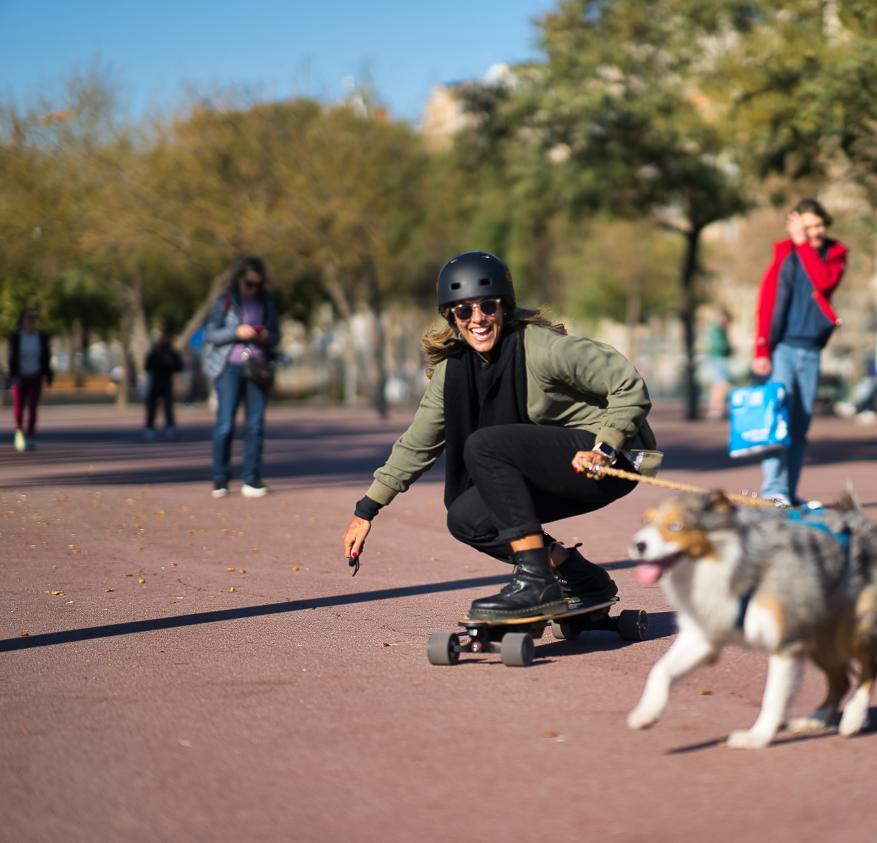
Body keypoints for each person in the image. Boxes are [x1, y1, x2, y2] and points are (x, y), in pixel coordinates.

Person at [341, 251, 657, 621]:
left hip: (609, 459)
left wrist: (604, 447)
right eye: (464, 311)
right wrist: (367, 510)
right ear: (451, 317)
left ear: (504, 307)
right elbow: (418, 443)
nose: (477, 320)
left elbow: (627, 383)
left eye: (487, 307)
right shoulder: (453, 373)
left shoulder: (542, 349)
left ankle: (535, 583)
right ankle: (578, 576)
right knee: (466, 517)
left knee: (485, 445)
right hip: (550, 466)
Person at [751, 197, 847, 505]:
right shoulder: (784, 253)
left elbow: (824, 281)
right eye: (808, 227)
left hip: (812, 350)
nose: (815, 232)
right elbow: (767, 301)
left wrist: (802, 243)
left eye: (819, 225)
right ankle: (772, 491)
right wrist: (761, 348)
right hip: (783, 349)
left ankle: (789, 491)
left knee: (801, 424)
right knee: (778, 421)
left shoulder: (835, 253)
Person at [203, 256, 280, 498]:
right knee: (225, 424)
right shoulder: (225, 301)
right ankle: (220, 478)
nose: (253, 289)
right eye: (249, 283)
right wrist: (236, 331)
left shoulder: (266, 302)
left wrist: (266, 336)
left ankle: (251, 479)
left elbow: (277, 335)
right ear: (239, 279)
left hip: (257, 367)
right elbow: (211, 334)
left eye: (257, 284)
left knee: (255, 426)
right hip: (229, 368)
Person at [7, 309, 54, 452]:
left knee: (33, 406)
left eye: (33, 318)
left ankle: (30, 435)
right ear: (22, 320)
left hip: (35, 375)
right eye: (28, 318)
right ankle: (19, 432)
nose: (30, 321)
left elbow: (46, 357)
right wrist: (13, 375)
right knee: (19, 406)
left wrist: (48, 374)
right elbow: (12, 357)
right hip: (20, 376)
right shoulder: (16, 336)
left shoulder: (40, 337)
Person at [143, 328, 184, 441]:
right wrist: (159, 361)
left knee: (168, 407)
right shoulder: (154, 352)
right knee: (152, 407)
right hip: (155, 382)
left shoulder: (172, 352)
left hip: (167, 383)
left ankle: (170, 427)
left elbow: (179, 366)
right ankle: (149, 428)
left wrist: (171, 363)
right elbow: (147, 366)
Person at [704, 308, 733, 420]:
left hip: (718, 359)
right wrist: (729, 349)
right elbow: (721, 346)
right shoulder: (717, 330)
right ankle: (716, 409)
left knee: (719, 385)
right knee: (721, 385)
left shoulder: (718, 329)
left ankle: (716, 409)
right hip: (719, 359)